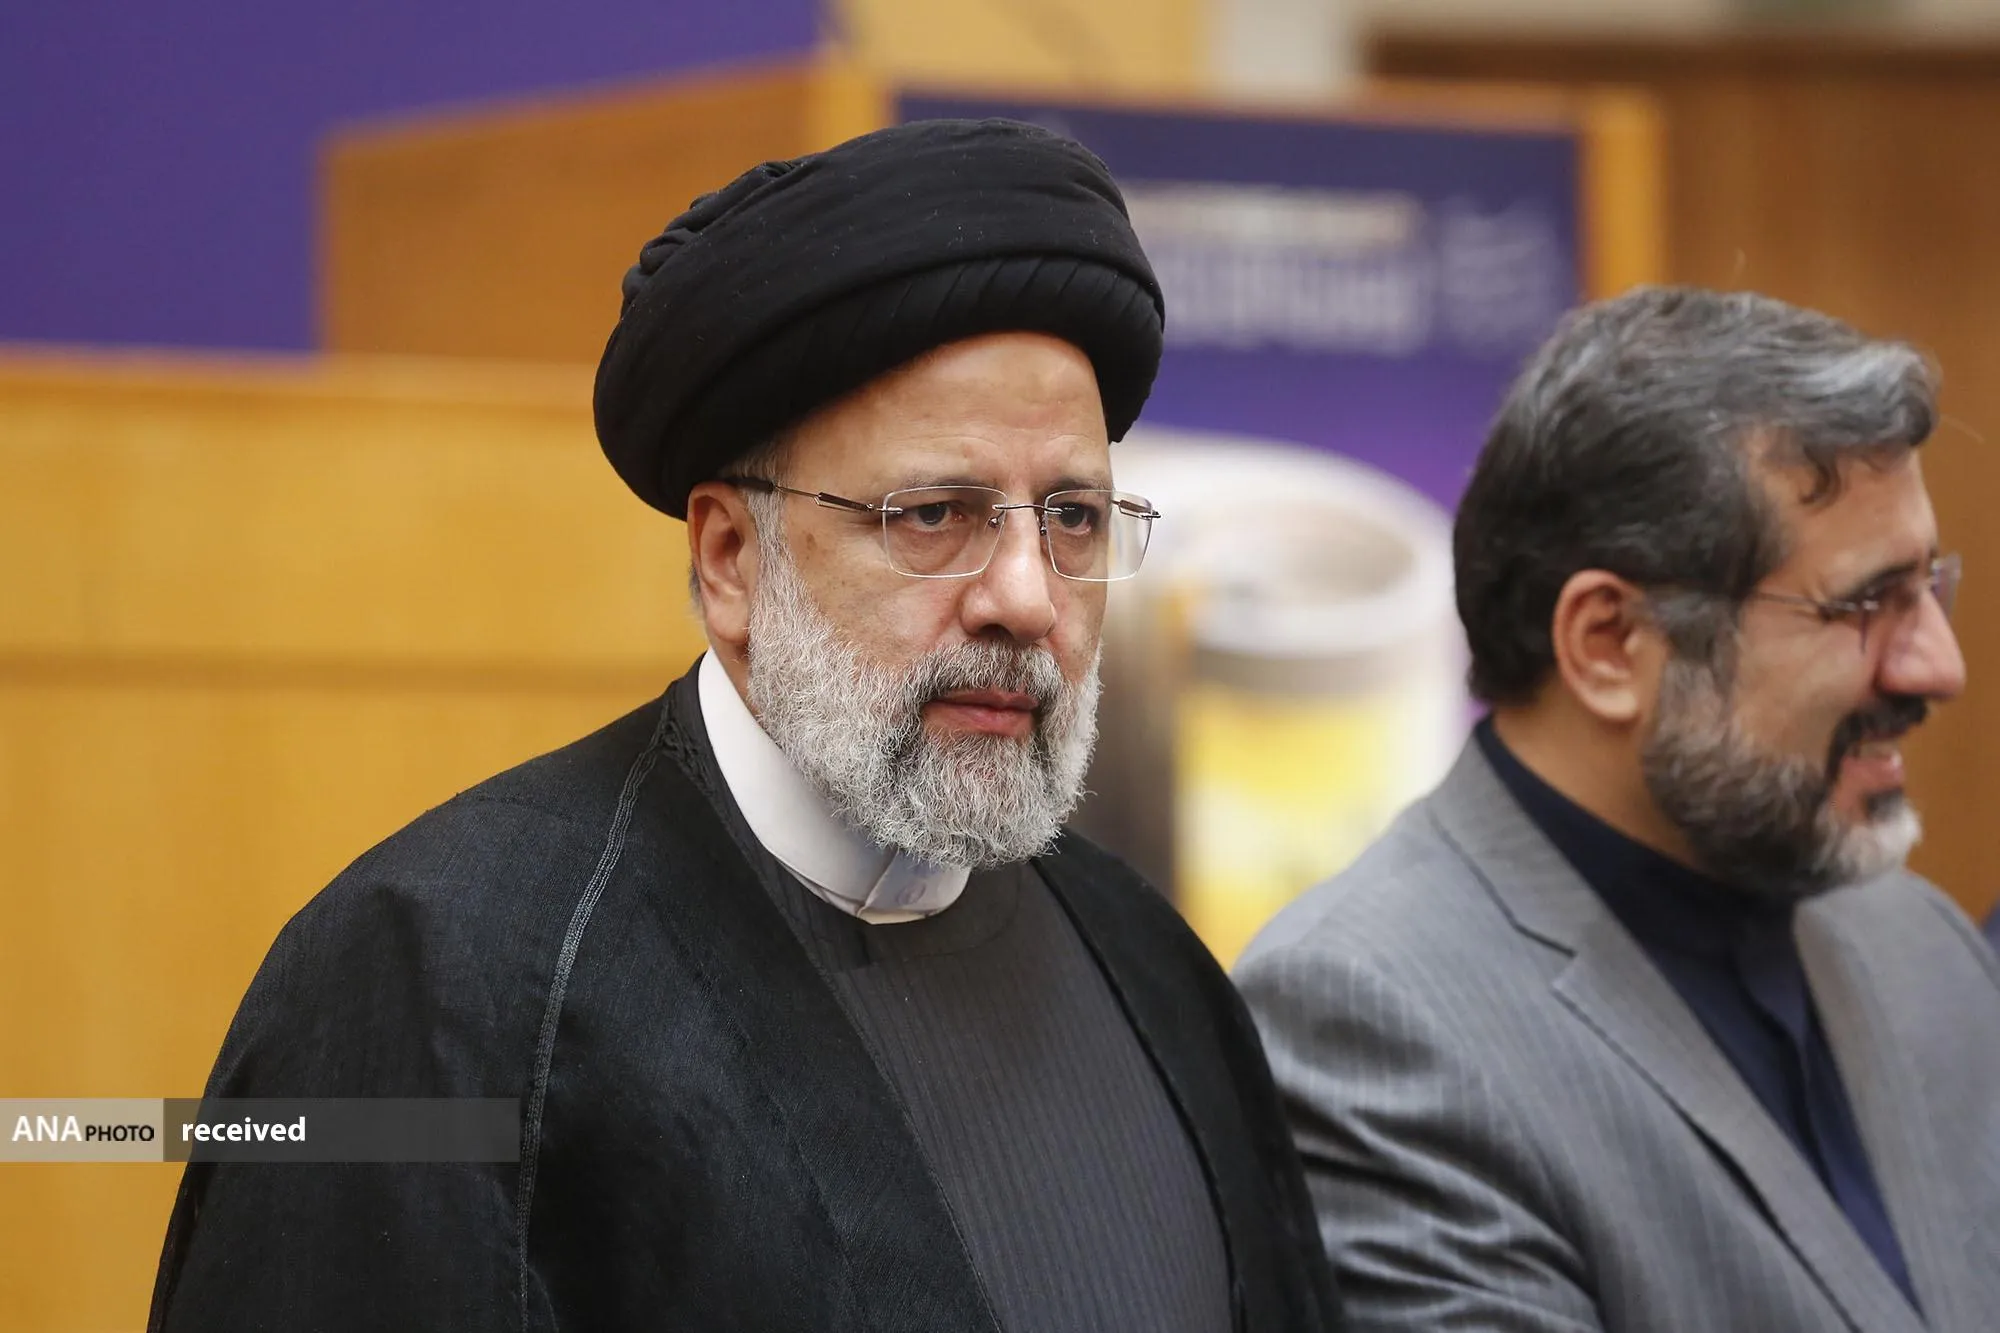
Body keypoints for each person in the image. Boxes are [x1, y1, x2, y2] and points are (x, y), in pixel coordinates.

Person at [148, 119, 1340, 1332]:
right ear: (730, 558)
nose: (1026, 598)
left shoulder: (1151, 966)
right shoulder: (435, 979)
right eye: (935, 513)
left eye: (1073, 517)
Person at [1238, 286, 2000, 1333]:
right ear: (1606, 644)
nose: (1938, 667)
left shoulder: (1912, 938)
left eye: (1929, 590)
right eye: (1868, 603)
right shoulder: (1368, 1019)